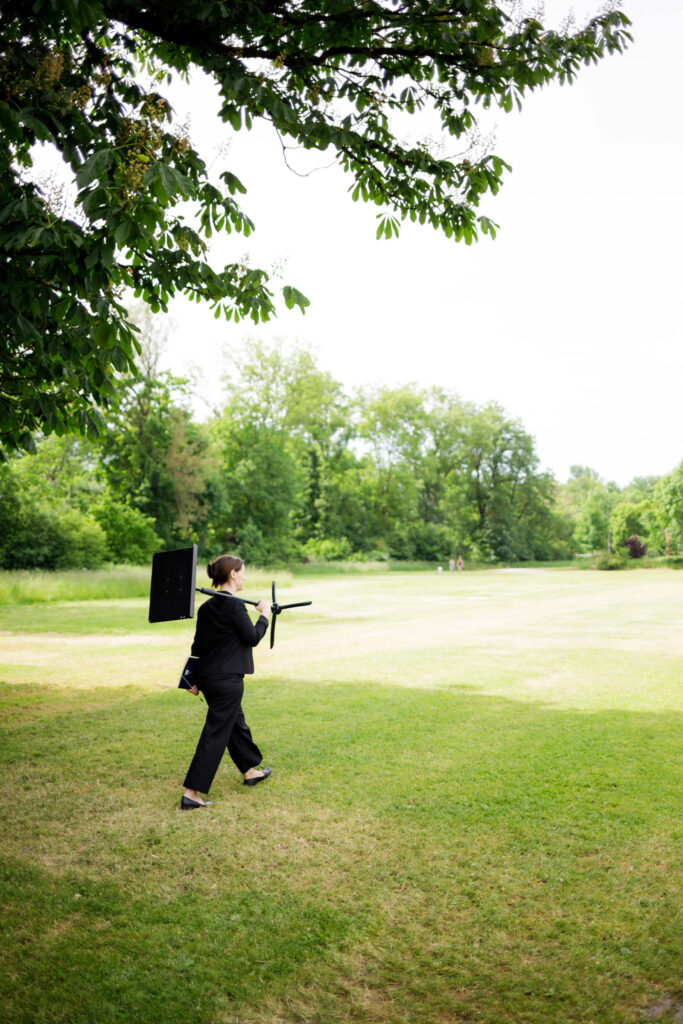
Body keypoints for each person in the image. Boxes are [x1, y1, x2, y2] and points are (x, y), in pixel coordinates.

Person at [181, 554, 272, 810]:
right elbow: (252, 637)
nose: (245, 577)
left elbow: (197, 646)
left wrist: (190, 678)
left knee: (235, 723)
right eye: (243, 572)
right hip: (227, 681)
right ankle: (191, 792)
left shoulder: (206, 608)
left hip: (209, 679)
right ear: (232, 574)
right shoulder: (233, 606)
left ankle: (249, 771)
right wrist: (265, 615)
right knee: (215, 733)